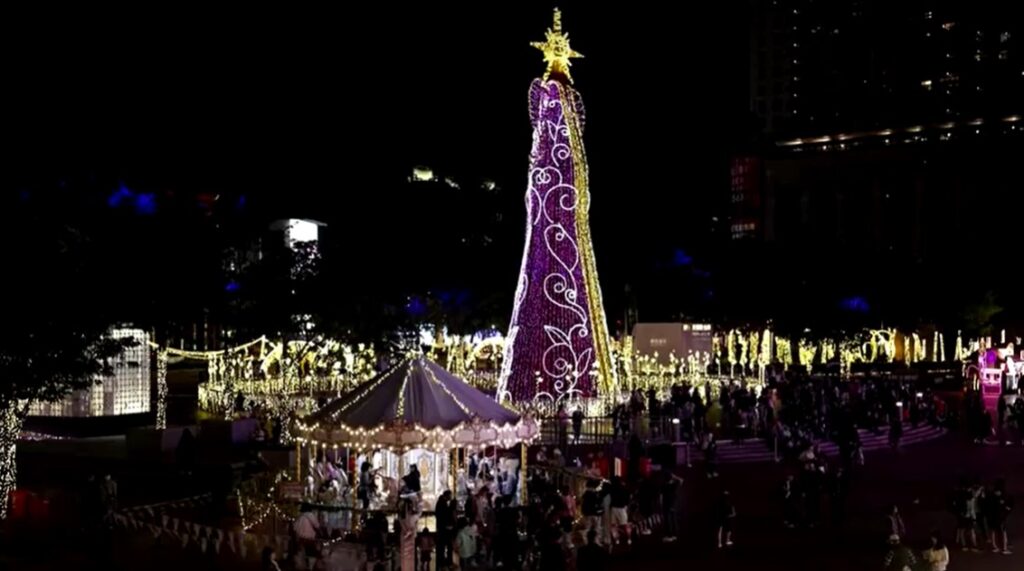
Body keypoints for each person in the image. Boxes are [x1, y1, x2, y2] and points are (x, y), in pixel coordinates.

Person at [984, 480, 1013, 554]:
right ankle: (1004, 548)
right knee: (1003, 532)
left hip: (992, 517)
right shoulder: (1001, 496)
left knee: (994, 531)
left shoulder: (990, 496)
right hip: (999, 517)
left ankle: (995, 547)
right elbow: (1004, 507)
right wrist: (1006, 508)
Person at [435, 490, 456, 569]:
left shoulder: (441, 503)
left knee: (443, 546)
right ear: (447, 495)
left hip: (443, 528)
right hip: (444, 529)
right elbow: (444, 515)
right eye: (450, 496)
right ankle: (445, 562)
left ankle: (443, 562)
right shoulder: (442, 504)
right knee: (446, 546)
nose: (450, 497)